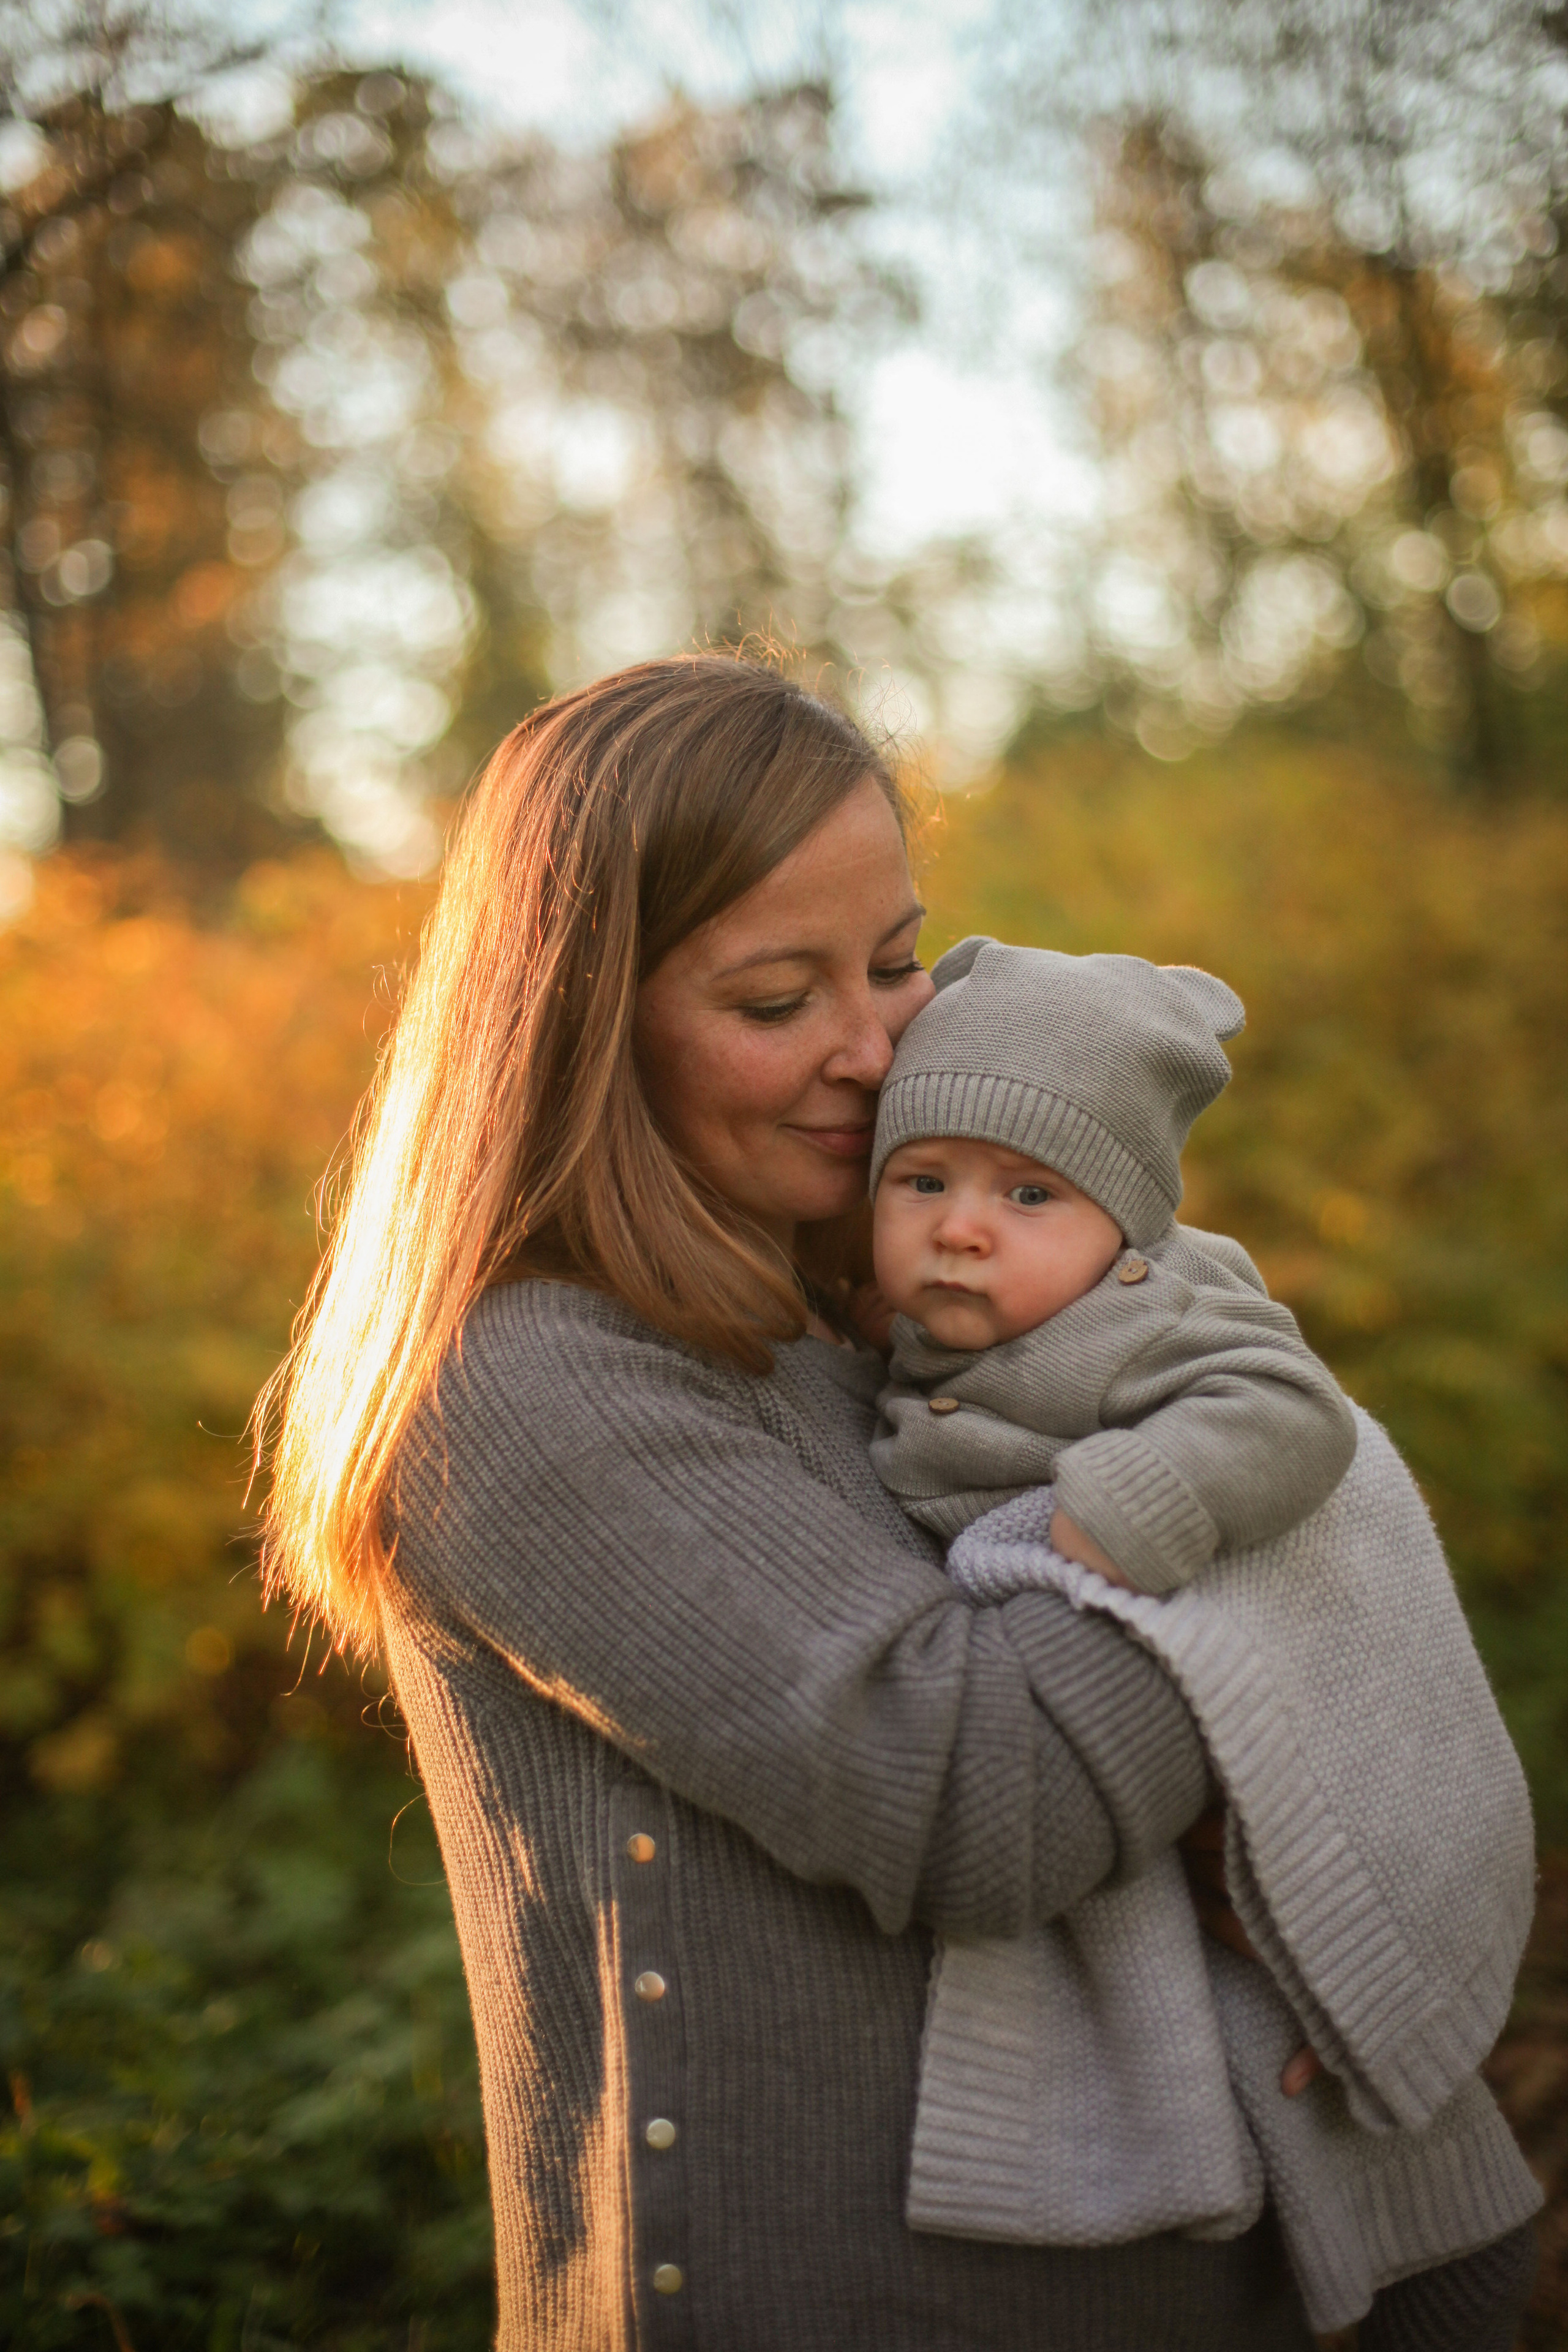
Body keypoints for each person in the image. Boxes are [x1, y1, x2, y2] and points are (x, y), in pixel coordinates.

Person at [265, 653, 1340, 2348]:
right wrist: (1250, 1505)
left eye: (898, 962)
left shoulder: (878, 1326)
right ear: (581, 1030)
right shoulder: (531, 1390)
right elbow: (988, 1795)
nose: (872, 1045)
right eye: (776, 1001)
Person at [867, 936, 1541, 2347]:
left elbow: (1292, 1417)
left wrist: (1136, 1503)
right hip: (1126, 1806)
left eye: (1027, 1193)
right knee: (1246, 2057)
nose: (961, 1228)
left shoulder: (1152, 1312)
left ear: (1122, 1222)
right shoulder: (925, 1335)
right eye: (921, 1180)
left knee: (1334, 2023)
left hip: (1263, 1720)